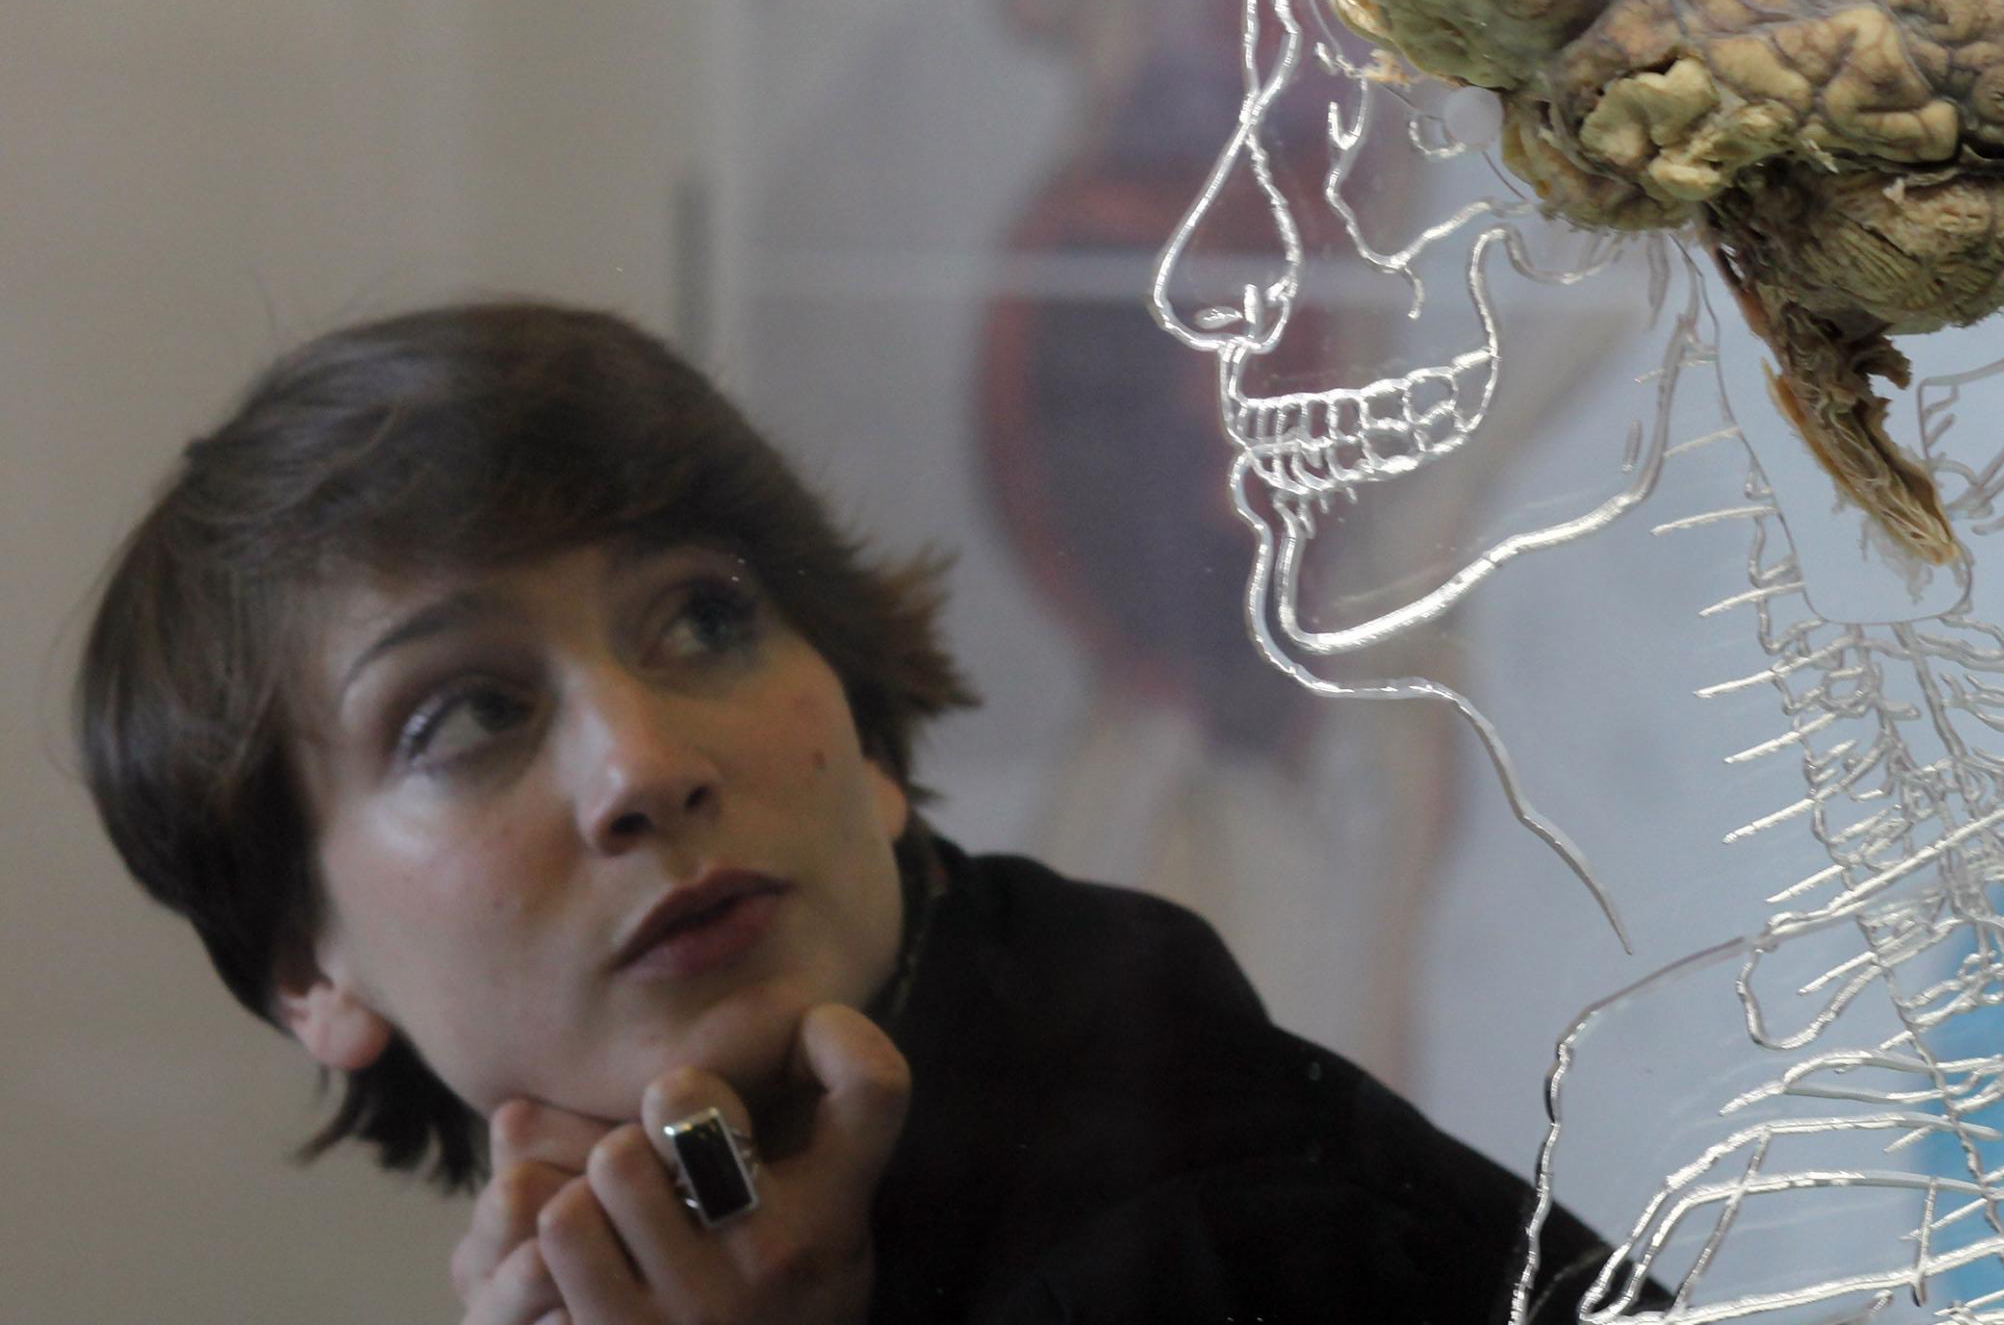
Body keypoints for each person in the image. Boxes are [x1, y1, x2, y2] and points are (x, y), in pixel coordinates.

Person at [74, 299, 1638, 1324]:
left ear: (867, 740)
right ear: (305, 967)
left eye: (702, 620)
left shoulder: (1202, 1227)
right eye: (468, 715)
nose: (643, 765)